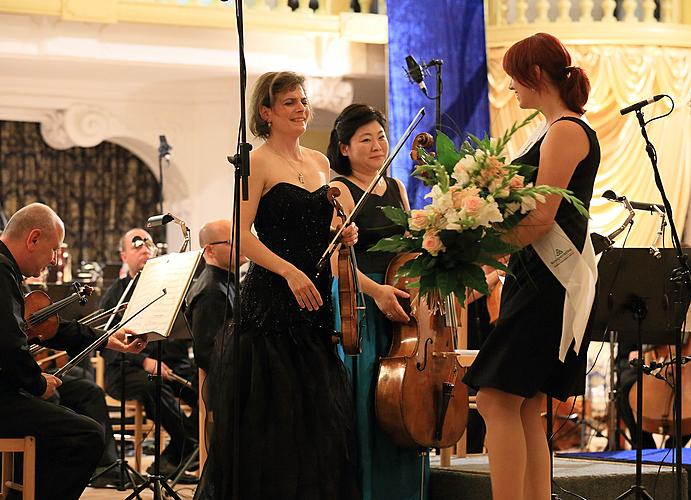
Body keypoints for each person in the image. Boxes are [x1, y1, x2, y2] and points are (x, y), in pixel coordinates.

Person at [194, 71, 359, 500]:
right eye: (289, 102)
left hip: (316, 299)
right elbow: (242, 233)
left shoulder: (321, 164)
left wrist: (343, 234)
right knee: (273, 421)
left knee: (315, 418)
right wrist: (287, 270)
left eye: (303, 100)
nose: (301, 108)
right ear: (265, 112)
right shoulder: (257, 162)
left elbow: (324, 231)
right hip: (271, 302)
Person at [462, 32, 601, 500]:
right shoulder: (553, 128)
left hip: (548, 280)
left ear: (536, 75)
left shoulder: (566, 130)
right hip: (535, 277)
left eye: (515, 81)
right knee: (523, 408)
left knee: (497, 400)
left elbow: (542, 217)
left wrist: (477, 252)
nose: (511, 91)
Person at [0, 202, 147, 500]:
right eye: (53, 249)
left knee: (76, 397)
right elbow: (9, 348)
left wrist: (104, 338)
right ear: (33, 239)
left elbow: (45, 327)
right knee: (86, 434)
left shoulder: (7, 270)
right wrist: (38, 383)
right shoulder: (2, 273)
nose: (55, 260)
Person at [327, 103, 429, 500]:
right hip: (361, 300)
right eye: (365, 139)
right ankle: (369, 489)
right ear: (345, 148)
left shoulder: (398, 188)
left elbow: (406, 252)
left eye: (381, 136)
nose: (377, 145)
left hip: (398, 299)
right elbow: (338, 264)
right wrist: (378, 293)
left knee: (404, 396)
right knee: (372, 395)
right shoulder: (340, 189)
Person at [100, 227, 198, 479]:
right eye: (137, 245)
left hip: (167, 365)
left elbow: (178, 335)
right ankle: (188, 448)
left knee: (205, 384)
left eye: (149, 243)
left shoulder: (167, 289)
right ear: (124, 256)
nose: (145, 248)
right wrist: (144, 361)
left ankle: (173, 456)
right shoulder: (116, 295)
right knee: (152, 385)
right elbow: (105, 345)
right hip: (126, 371)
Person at [186, 219, 245, 372]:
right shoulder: (211, 292)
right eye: (232, 241)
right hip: (223, 387)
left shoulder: (226, 282)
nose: (242, 245)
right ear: (210, 250)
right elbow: (208, 356)